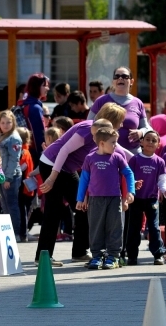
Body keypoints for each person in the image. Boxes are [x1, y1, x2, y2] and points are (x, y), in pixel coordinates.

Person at [36, 104, 127, 265]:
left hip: (67, 168)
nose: (121, 125)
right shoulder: (87, 129)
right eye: (120, 121)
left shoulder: (104, 135)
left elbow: (124, 153)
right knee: (54, 210)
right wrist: (51, 178)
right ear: (111, 120)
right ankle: (43, 257)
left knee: (84, 206)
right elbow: (64, 150)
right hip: (53, 165)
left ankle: (79, 251)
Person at [76, 127, 135, 269]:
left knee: (115, 228)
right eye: (113, 142)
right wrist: (80, 198)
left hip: (114, 199)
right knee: (96, 228)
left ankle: (113, 256)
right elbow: (84, 179)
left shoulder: (117, 157)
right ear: (101, 143)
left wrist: (131, 191)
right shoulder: (90, 158)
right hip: (95, 200)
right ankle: (97, 256)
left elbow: (128, 173)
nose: (116, 145)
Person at [123, 130, 166, 265]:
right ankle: (132, 255)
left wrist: (164, 190)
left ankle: (158, 254)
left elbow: (162, 180)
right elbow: (129, 177)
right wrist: (132, 186)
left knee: (154, 227)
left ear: (158, 145)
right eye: (147, 139)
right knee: (134, 227)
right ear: (141, 142)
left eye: (154, 140)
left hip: (152, 198)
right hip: (136, 199)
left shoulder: (159, 162)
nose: (150, 142)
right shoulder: (135, 159)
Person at [88, 66, 152, 153]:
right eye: (116, 76)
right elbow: (89, 124)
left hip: (132, 153)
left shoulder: (138, 102)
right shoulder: (101, 100)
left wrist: (141, 132)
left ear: (131, 81)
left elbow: (146, 127)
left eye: (125, 76)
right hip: (106, 154)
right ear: (113, 81)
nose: (120, 78)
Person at [0, 110, 23, 240]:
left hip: (11, 176)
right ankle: (8, 231)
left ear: (13, 123)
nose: (5, 125)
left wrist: (8, 178)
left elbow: (14, 159)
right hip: (2, 175)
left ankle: (15, 233)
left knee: (11, 205)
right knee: (5, 206)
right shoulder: (1, 135)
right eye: (3, 122)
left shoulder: (14, 138)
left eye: (8, 122)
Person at [20, 73, 50, 164]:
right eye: (44, 85)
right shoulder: (35, 108)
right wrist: (43, 155)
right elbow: (38, 136)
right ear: (36, 87)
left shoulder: (24, 103)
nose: (47, 88)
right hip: (34, 154)